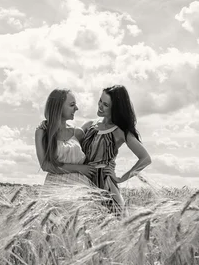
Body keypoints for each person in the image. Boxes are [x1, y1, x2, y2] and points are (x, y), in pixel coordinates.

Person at [81, 85, 151, 213]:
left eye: (106, 105)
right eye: (100, 101)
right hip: (83, 183)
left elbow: (145, 158)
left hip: (106, 188)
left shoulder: (119, 132)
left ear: (115, 110)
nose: (100, 106)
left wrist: (121, 178)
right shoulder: (88, 126)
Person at [35, 89, 97, 186]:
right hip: (55, 189)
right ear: (58, 107)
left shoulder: (77, 133)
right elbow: (45, 166)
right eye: (72, 105)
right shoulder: (42, 132)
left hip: (80, 187)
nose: (76, 108)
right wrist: (78, 168)